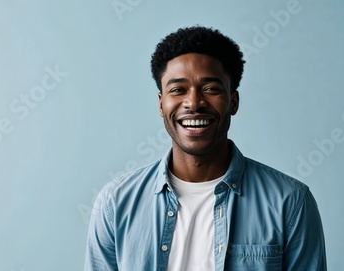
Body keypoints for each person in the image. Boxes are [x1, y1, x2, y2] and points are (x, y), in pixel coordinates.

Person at [84, 26, 326, 271]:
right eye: (178, 90)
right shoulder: (115, 203)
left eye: (211, 89)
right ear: (161, 104)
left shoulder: (290, 201)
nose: (193, 103)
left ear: (233, 101)